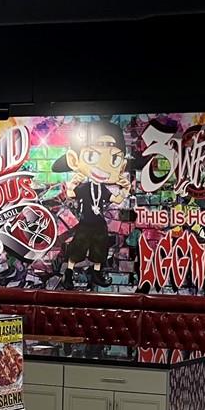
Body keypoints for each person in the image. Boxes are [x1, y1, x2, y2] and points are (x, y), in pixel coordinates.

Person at [53, 121, 132, 287]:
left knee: (99, 249)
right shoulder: (84, 187)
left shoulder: (103, 189)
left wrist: (126, 189)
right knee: (77, 249)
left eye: (114, 159)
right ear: (75, 161)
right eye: (92, 156)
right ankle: (69, 274)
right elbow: (70, 194)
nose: (102, 166)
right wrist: (73, 183)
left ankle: (96, 274)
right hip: (85, 223)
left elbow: (117, 200)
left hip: (99, 224)